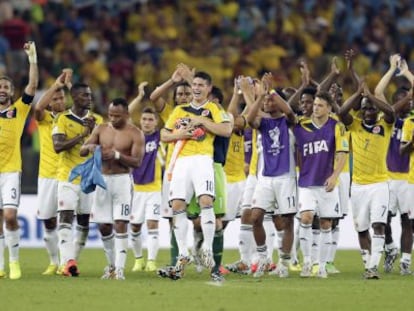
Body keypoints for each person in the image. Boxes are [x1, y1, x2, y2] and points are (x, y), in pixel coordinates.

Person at [160, 71, 232, 277]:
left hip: (203, 160)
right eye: (195, 84)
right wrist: (179, 134)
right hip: (181, 161)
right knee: (177, 205)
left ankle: (207, 248)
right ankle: (183, 253)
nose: (197, 88)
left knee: (206, 200)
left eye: (201, 85)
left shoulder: (213, 109)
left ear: (209, 88)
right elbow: (164, 134)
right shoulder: (180, 110)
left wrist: (202, 122)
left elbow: (226, 130)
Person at [80, 97, 145, 280]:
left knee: (120, 223)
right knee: (104, 226)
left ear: (126, 114)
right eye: (110, 115)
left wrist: (117, 155)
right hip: (102, 180)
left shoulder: (135, 133)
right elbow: (82, 150)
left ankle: (120, 270)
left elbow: (137, 162)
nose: (113, 119)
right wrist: (91, 147)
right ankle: (111, 266)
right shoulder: (101, 129)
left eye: (117, 116)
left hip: (122, 181)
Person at [338, 80, 394, 279]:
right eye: (365, 109)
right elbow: (342, 113)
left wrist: (371, 96)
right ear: (360, 111)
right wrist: (358, 94)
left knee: (379, 225)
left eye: (371, 108)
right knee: (361, 229)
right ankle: (367, 265)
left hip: (380, 184)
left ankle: (373, 267)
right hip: (358, 186)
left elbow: (391, 113)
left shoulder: (385, 126)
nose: (369, 111)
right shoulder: (354, 126)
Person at [247, 77, 298, 278]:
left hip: (286, 177)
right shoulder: (263, 123)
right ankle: (264, 258)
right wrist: (260, 96)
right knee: (256, 217)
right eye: (266, 101)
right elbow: (250, 120)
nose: (267, 103)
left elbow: (291, 112)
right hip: (265, 178)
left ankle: (284, 263)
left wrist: (272, 92)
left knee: (287, 221)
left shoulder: (289, 122)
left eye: (270, 101)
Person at [295, 91, 348, 278]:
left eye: (320, 105)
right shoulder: (301, 125)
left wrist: (335, 176)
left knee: (326, 223)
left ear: (329, 108)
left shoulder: (337, 126)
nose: (315, 108)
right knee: (306, 218)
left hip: (326, 182)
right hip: (306, 183)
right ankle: (308, 261)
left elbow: (342, 153)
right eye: (315, 104)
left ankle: (323, 266)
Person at [52, 82, 103, 276]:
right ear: (74, 97)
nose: (89, 99)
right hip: (67, 177)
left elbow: (103, 145)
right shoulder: (62, 119)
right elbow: (58, 147)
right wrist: (83, 134)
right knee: (65, 216)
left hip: (88, 179)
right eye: (84, 96)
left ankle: (72, 263)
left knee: (83, 221)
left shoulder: (97, 120)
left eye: (90, 95)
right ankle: (68, 261)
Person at [0, 41, 38, 280]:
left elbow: (33, 85)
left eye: (6, 86)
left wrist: (32, 58)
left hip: (11, 171)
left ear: (11, 92)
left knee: (10, 216)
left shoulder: (18, 109)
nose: (2, 89)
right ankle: (1, 266)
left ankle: (14, 262)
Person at [150, 65, 193, 266]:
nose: (184, 97)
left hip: (196, 170)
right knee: (172, 217)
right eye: (180, 94)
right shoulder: (171, 113)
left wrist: (192, 79)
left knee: (199, 217)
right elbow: (153, 97)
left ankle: (201, 255)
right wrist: (173, 81)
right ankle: (178, 257)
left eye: (187, 93)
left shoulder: (202, 112)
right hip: (173, 172)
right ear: (175, 98)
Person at [375, 55, 414, 275]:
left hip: (408, 178)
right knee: (384, 219)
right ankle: (390, 248)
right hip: (388, 177)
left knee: (407, 221)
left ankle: (406, 261)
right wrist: (391, 69)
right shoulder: (388, 120)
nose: (408, 102)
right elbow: (379, 93)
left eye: (409, 99)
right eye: (403, 99)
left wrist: (406, 72)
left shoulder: (412, 122)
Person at [34, 69, 71, 275]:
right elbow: (37, 108)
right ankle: (53, 261)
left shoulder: (71, 118)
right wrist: (56, 85)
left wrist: (69, 85)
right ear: (49, 102)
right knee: (48, 219)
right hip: (47, 175)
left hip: (67, 174)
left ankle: (66, 262)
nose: (59, 101)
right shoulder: (44, 118)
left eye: (61, 97)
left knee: (66, 218)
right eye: (55, 98)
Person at [128, 87, 163, 272]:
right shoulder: (134, 136)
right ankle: (138, 259)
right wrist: (140, 96)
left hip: (154, 189)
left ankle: (151, 261)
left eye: (151, 119)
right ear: (140, 121)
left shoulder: (160, 137)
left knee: (152, 224)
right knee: (134, 227)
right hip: (135, 190)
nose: (147, 122)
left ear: (156, 122)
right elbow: (125, 115)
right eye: (144, 119)